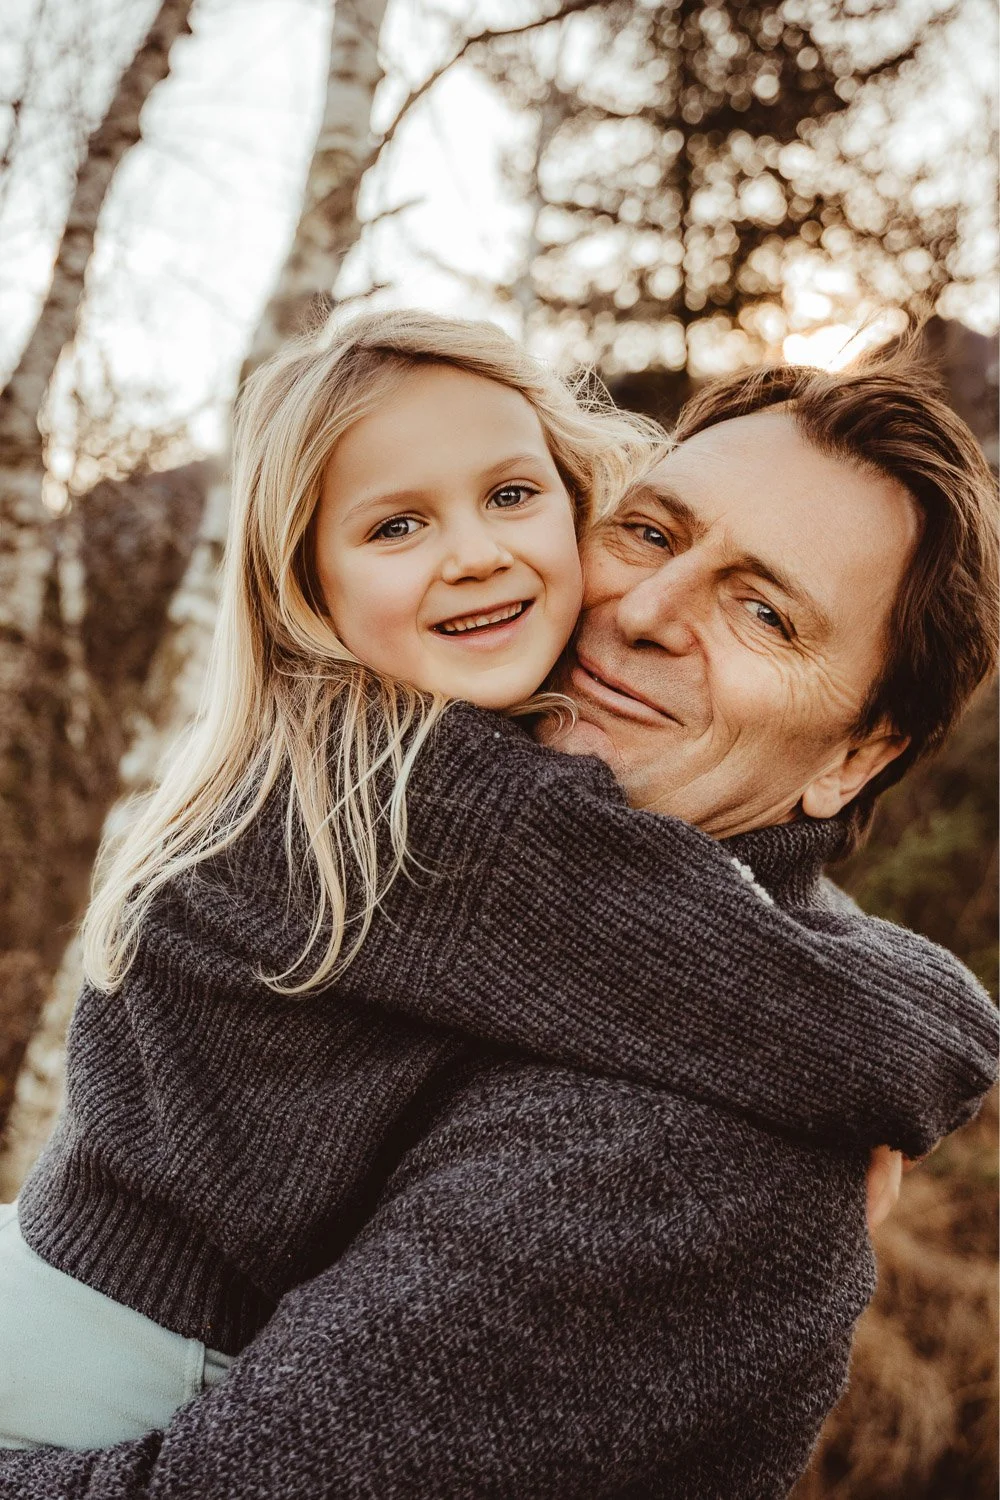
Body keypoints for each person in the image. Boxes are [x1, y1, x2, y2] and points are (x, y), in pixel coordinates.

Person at [0, 323, 997, 1497]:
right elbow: (785, 981)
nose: (646, 608)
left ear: (856, 758)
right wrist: (911, 1050)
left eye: (765, 614)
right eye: (650, 533)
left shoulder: (684, 1154)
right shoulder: (437, 800)